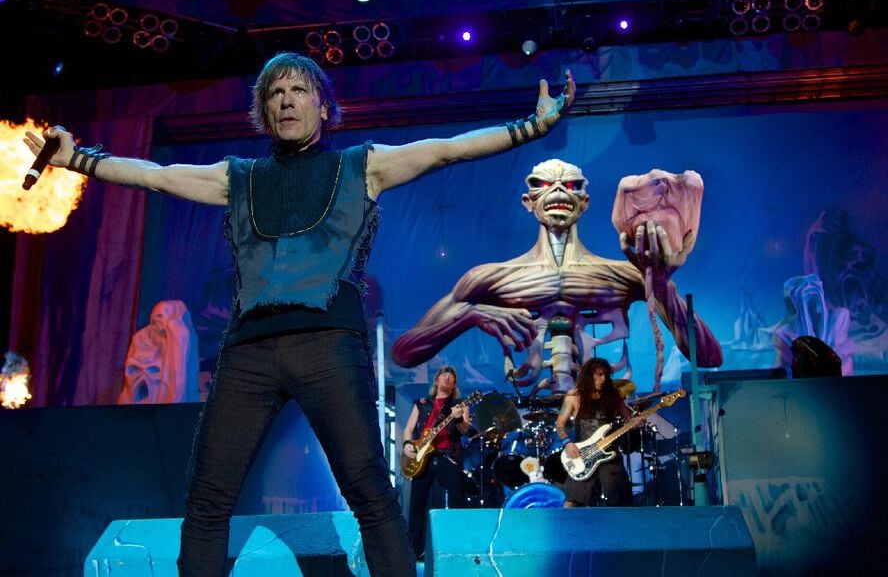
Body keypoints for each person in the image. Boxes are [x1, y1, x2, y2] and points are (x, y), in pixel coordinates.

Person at [23, 52, 575, 576]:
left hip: (328, 347)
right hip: (248, 353)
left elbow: (447, 149)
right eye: (275, 93)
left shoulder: (362, 167)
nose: (286, 100)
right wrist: (78, 159)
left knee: (369, 492)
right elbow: (156, 175)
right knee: (207, 500)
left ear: (323, 106)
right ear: (264, 111)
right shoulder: (237, 177)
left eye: (298, 90)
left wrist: (531, 127)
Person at [391, 160, 722, 394]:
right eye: (545, 185)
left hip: (600, 410)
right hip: (531, 410)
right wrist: (470, 316)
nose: (560, 192)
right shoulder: (491, 278)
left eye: (572, 186)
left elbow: (708, 356)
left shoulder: (622, 276)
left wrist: (661, 284)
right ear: (528, 201)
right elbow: (404, 354)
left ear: (585, 202)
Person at [401, 365, 471, 560]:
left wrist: (458, 419)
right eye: (444, 374)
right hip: (423, 457)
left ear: (454, 383)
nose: (447, 377)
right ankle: (414, 551)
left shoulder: (460, 404)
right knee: (417, 504)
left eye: (451, 376)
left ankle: (461, 548)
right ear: (436, 380)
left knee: (458, 499)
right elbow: (408, 429)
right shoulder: (422, 404)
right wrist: (407, 445)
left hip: (447, 456)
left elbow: (464, 429)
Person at [556, 357, 637, 507]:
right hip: (583, 455)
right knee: (571, 503)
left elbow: (628, 419)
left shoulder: (613, 396)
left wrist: (636, 422)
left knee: (622, 501)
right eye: (599, 375)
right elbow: (560, 425)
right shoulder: (574, 397)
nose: (603, 379)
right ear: (589, 376)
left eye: (605, 375)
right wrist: (567, 443)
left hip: (609, 452)